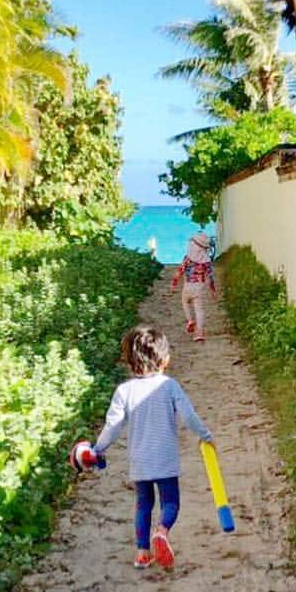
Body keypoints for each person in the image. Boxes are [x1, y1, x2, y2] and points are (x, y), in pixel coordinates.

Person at [91, 324, 211, 570]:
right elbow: (188, 416)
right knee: (170, 503)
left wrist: (97, 449)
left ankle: (143, 552)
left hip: (140, 460)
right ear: (164, 360)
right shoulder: (169, 386)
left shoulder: (124, 391)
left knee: (143, 504)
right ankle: (162, 530)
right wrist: (205, 435)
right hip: (165, 458)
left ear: (130, 362)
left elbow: (112, 426)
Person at [170, 231, 216, 342]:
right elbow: (210, 276)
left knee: (185, 302)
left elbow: (179, 272)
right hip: (199, 288)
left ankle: (190, 320)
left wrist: (174, 284)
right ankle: (199, 333)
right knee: (199, 310)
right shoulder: (206, 261)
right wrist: (213, 290)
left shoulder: (187, 258)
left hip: (188, 286)